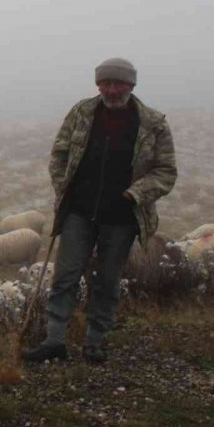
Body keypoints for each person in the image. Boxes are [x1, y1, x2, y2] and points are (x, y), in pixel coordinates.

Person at [23, 58, 177, 364]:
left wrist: (134, 195)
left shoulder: (153, 123)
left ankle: (94, 342)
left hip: (122, 217)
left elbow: (166, 171)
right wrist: (64, 188)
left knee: (107, 280)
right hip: (79, 212)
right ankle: (55, 340)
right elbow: (59, 154)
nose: (111, 90)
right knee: (65, 275)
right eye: (105, 83)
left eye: (118, 84)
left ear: (131, 85)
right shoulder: (81, 113)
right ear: (98, 85)